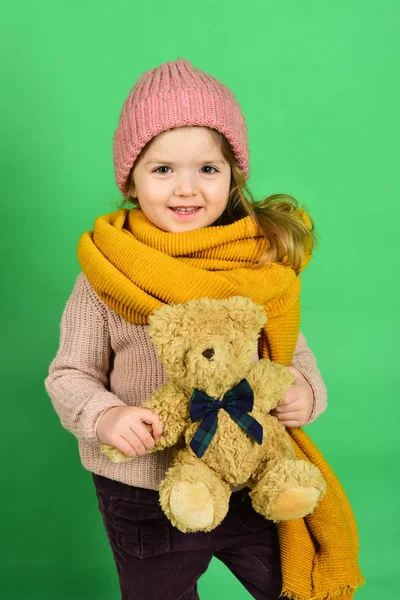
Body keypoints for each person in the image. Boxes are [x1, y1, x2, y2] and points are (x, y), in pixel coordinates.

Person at [45, 59, 363, 600]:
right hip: (145, 492)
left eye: (207, 169)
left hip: (250, 476)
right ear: (130, 179)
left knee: (291, 586)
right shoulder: (107, 270)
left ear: (233, 176)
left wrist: (306, 392)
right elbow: (70, 372)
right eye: (163, 169)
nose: (186, 189)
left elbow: (290, 355)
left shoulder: (255, 263)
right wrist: (105, 416)